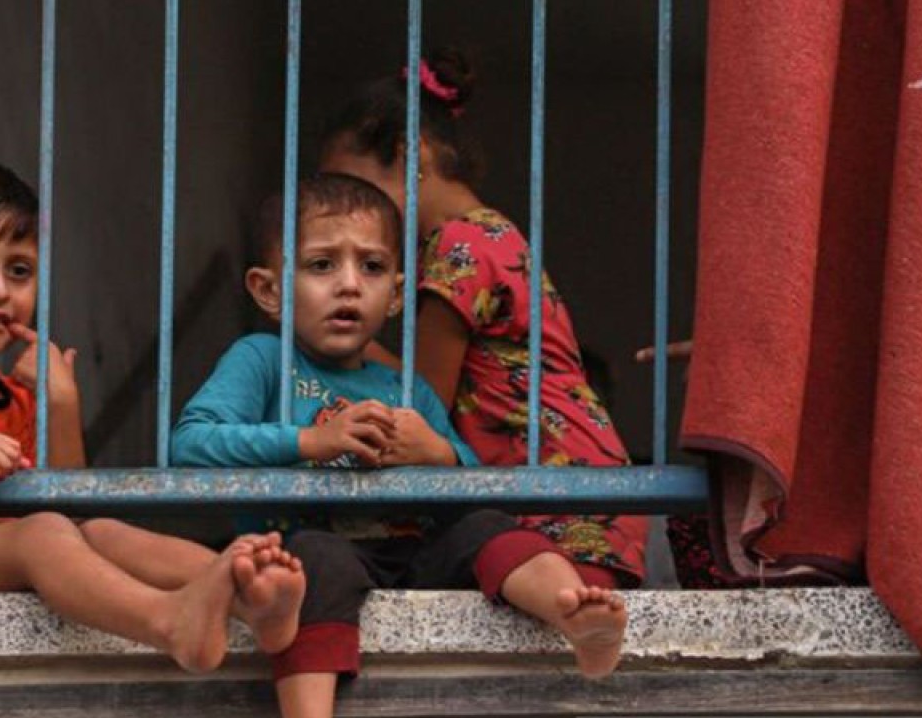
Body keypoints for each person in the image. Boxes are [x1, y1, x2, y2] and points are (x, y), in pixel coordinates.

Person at [0, 158, 304, 673]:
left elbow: (71, 506)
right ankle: (167, 620)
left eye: (18, 271)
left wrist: (62, 405)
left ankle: (248, 592)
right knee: (40, 533)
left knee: (102, 530)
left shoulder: (17, 395)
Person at [174, 173, 626, 718]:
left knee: (485, 526)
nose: (349, 285)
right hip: (306, 551)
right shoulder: (263, 358)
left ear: (395, 293)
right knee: (316, 560)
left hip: (415, 552)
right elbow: (192, 442)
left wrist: (438, 455)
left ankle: (574, 614)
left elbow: (478, 485)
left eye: (372, 267)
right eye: (322, 265)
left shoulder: (404, 390)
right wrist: (311, 440)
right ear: (269, 290)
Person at [320, 48, 649, 610]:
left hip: (556, 510)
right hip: (577, 502)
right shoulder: (483, 235)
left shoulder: (460, 244)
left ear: (407, 155)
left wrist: (335, 349)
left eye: (351, 188)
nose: (343, 211)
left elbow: (423, 401)